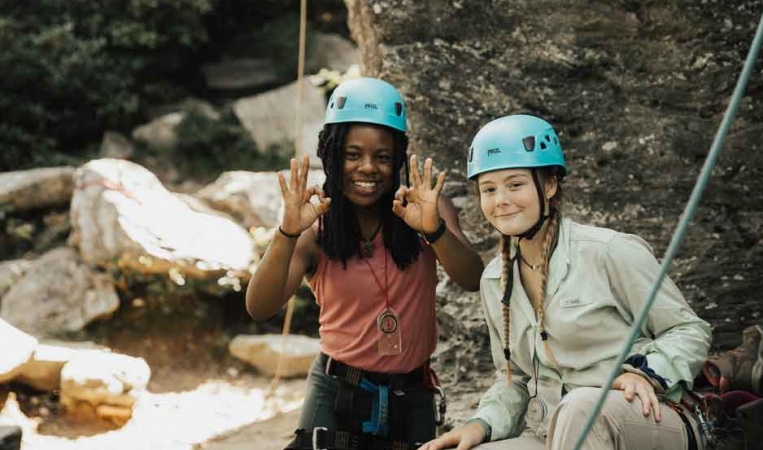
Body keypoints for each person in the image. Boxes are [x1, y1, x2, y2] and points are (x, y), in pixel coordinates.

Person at [419, 115, 712, 450]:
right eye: (488, 189)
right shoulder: (495, 280)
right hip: (553, 431)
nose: (500, 200)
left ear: (549, 185)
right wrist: (481, 424)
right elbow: (514, 380)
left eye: (515, 185)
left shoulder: (609, 252)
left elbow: (690, 330)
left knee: (580, 411)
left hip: (649, 416)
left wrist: (642, 373)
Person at [245, 77, 485, 450]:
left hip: (413, 394)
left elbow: (473, 278)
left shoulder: (425, 212)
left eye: (383, 156)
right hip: (337, 391)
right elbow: (259, 306)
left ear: (398, 160)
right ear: (333, 154)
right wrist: (286, 233)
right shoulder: (316, 227)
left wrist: (434, 231)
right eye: (353, 155)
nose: (368, 167)